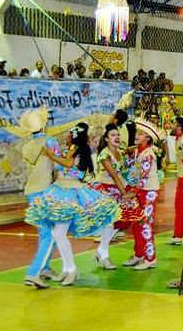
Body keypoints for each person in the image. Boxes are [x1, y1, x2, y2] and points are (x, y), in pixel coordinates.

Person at [25, 121, 120, 285]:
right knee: (58, 233)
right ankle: (68, 268)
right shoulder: (73, 149)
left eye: (69, 133)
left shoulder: (77, 149)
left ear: (74, 135)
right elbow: (72, 170)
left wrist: (52, 156)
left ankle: (72, 268)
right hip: (62, 189)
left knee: (59, 233)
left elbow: (71, 167)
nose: (66, 136)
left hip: (69, 193)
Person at [88, 126, 143, 270]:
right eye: (113, 135)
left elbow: (124, 168)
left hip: (119, 188)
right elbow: (114, 176)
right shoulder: (104, 155)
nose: (117, 137)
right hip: (107, 190)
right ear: (106, 139)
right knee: (110, 222)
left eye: (118, 134)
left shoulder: (120, 152)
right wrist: (125, 194)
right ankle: (104, 256)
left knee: (122, 222)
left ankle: (100, 251)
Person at [19, 108, 61, 288]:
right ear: (44, 125)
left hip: (31, 192)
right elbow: (59, 167)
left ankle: (45, 268)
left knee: (46, 232)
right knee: (51, 234)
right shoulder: (50, 141)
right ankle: (34, 272)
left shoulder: (26, 146)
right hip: (45, 191)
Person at [124, 119, 164, 270]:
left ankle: (150, 258)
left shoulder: (148, 154)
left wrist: (132, 192)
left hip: (149, 192)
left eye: (140, 134)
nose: (137, 135)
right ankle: (139, 254)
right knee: (137, 222)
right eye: (137, 132)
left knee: (146, 223)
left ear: (148, 137)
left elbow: (144, 177)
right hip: (141, 191)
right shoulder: (138, 151)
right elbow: (133, 170)